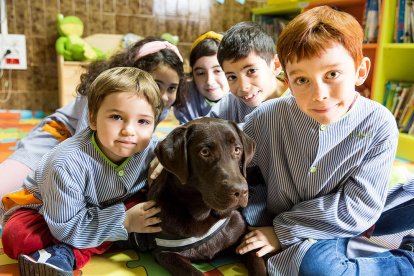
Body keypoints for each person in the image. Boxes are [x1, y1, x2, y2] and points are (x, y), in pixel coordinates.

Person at [235, 6, 414, 275]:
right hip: (313, 228)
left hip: (355, 213)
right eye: (302, 79)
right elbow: (227, 145)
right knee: (319, 269)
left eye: (332, 74)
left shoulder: (379, 122)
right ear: (288, 81)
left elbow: (361, 206)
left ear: (360, 71)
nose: (319, 94)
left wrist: (280, 231)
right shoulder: (267, 118)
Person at [1, 67, 164, 275]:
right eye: (116, 117)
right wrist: (125, 221)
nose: (129, 131)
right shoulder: (66, 162)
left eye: (143, 121)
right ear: (93, 119)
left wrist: (165, 159)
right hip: (50, 212)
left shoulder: (151, 147)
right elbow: (65, 228)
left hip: (109, 205)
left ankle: (67, 251)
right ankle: (69, 254)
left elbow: (179, 140)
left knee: (152, 208)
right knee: (17, 237)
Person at [0, 37, 185, 197]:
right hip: (57, 137)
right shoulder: (104, 93)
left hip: (100, 144)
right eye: (156, 84)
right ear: (134, 74)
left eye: (172, 88)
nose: (163, 96)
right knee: (8, 191)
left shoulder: (160, 106)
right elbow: (84, 147)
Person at [207, 21, 289, 123]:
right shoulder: (232, 102)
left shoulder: (299, 99)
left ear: (276, 65)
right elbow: (205, 125)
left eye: (251, 71)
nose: (243, 87)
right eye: (232, 77)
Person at [173, 31, 229, 124]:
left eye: (218, 71)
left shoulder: (245, 99)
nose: (209, 81)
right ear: (193, 75)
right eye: (200, 73)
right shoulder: (186, 97)